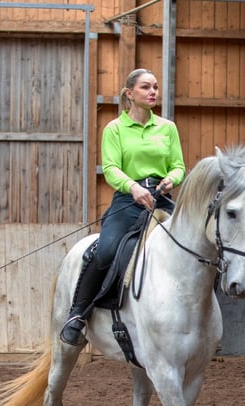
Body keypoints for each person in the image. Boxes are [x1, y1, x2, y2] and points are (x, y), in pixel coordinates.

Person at [60, 68, 186, 346]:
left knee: (194, 244)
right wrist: (134, 187)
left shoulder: (168, 128)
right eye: (145, 87)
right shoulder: (114, 129)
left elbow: (178, 166)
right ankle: (78, 314)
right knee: (105, 250)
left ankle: (201, 317)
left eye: (155, 87)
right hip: (129, 200)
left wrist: (170, 180)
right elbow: (111, 169)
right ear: (129, 94)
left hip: (161, 198)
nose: (153, 92)